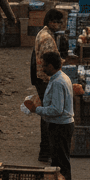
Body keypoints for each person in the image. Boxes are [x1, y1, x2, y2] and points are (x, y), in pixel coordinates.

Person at [24, 50, 74, 180]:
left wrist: (36, 110)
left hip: (60, 125)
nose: (43, 68)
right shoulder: (59, 78)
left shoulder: (59, 82)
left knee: (61, 163)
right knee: (58, 161)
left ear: (52, 66)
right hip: (59, 124)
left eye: (45, 65)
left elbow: (57, 109)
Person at [32, 9, 67, 161]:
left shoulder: (44, 34)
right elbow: (50, 63)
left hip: (43, 79)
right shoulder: (47, 38)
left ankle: (45, 150)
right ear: (51, 22)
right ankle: (46, 151)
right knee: (49, 116)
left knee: (46, 115)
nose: (60, 25)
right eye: (58, 22)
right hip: (45, 80)